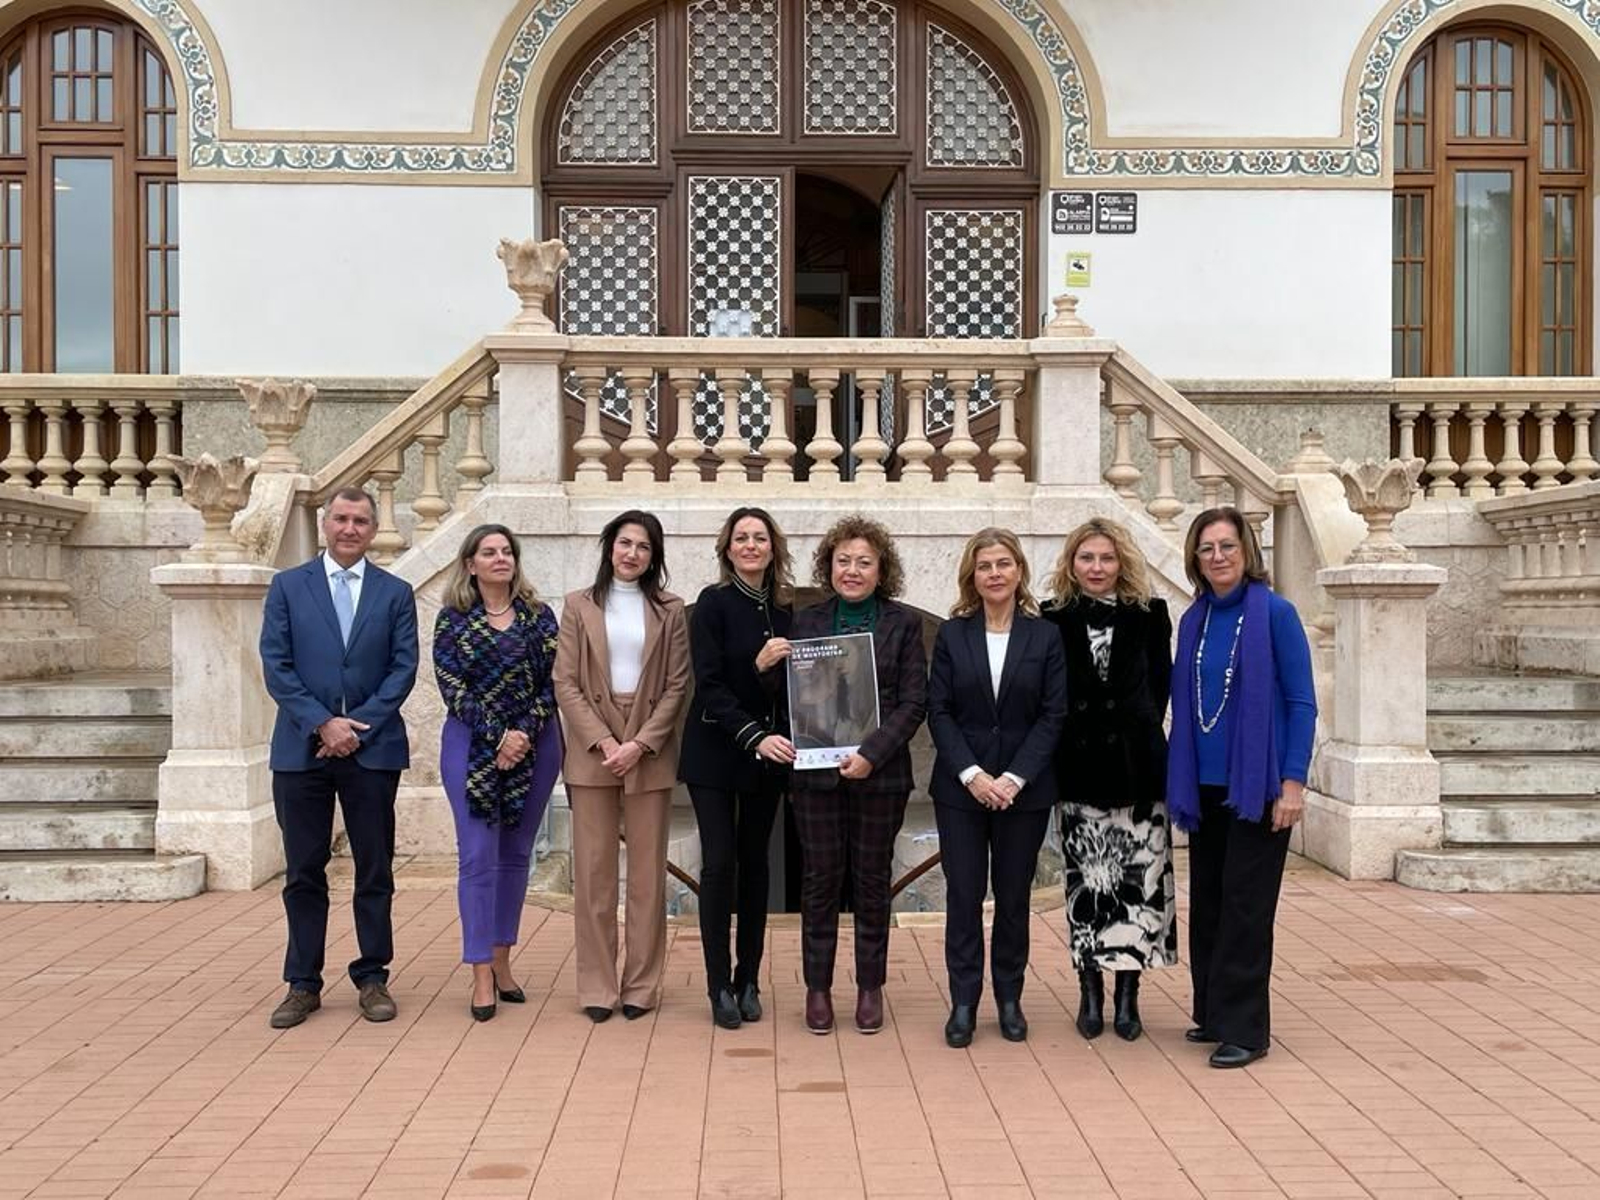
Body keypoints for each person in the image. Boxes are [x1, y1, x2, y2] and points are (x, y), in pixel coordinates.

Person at [258, 487, 418, 1029]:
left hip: (372, 753)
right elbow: (276, 664)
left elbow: (403, 669)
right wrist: (322, 722)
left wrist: (356, 728)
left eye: (362, 521)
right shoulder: (288, 587)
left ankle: (372, 974)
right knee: (304, 870)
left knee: (375, 868)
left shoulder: (395, 593)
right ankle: (302, 982)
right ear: (326, 524)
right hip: (301, 752)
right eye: (342, 519)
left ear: (374, 530)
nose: (351, 529)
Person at [1168, 506, 1317, 1068]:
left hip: (1257, 787)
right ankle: (1212, 1011)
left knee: (1247, 908)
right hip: (1202, 786)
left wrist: (1293, 782)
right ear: (1195, 559)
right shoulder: (1195, 619)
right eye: (1206, 549)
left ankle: (1248, 1030)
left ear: (1247, 552)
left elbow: (1302, 703)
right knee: (1208, 902)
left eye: (1227, 546)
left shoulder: (1276, 614)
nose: (1218, 557)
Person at [927, 528, 1066, 1048]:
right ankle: (964, 1001)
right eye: (985, 566)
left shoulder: (1044, 636)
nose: (995, 574)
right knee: (963, 897)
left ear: (1019, 571)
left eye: (1003, 564)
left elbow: (1054, 714)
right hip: (961, 790)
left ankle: (1008, 997)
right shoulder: (952, 634)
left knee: (1012, 900)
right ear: (972, 575)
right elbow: (938, 710)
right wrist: (973, 775)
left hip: (1023, 793)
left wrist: (1011, 778)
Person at [789, 514, 927, 1036]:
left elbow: (914, 701)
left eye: (863, 562)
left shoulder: (903, 624)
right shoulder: (806, 622)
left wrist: (871, 752)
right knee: (819, 882)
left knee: (871, 884)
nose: (852, 570)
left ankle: (871, 987)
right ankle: (817, 988)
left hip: (881, 775)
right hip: (817, 778)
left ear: (880, 569)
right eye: (843, 561)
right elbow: (799, 696)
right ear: (829, 566)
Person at [1043, 518, 1176, 1044]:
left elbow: (1160, 689)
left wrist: (1131, 732)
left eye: (1106, 558)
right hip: (1078, 771)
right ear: (1072, 564)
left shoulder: (1150, 615)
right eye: (1087, 559)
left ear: (1122, 562)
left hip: (1137, 768)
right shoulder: (1051, 617)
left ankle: (1128, 994)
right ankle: (1089, 989)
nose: (1096, 568)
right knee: (1089, 885)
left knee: (1137, 888)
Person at [554, 510, 689, 1023]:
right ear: (609, 546)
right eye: (624, 543)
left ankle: (642, 983)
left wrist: (640, 743)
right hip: (593, 748)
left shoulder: (670, 609)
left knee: (648, 875)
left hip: (648, 747)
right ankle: (596, 984)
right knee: (594, 874)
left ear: (654, 557)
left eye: (643, 547)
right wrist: (605, 740)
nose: (632, 554)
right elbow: (565, 681)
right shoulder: (577, 606)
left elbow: (678, 685)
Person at [432, 524, 562, 1022]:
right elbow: (452, 687)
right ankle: (480, 970)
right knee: (478, 858)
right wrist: (499, 736)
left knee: (515, 857)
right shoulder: (453, 621)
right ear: (471, 564)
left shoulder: (538, 617)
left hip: (537, 744)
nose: (500, 558)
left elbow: (554, 682)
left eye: (507, 551)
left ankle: (504, 961)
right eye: (489, 552)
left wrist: (524, 733)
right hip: (472, 748)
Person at [679, 507, 796, 1029]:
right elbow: (709, 685)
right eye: (741, 538)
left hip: (768, 757)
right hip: (716, 752)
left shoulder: (786, 609)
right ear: (728, 548)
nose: (751, 545)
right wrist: (758, 669)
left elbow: (793, 691)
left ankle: (749, 978)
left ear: (773, 548)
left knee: (757, 868)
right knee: (719, 866)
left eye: (760, 538)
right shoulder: (713, 604)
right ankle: (718, 985)